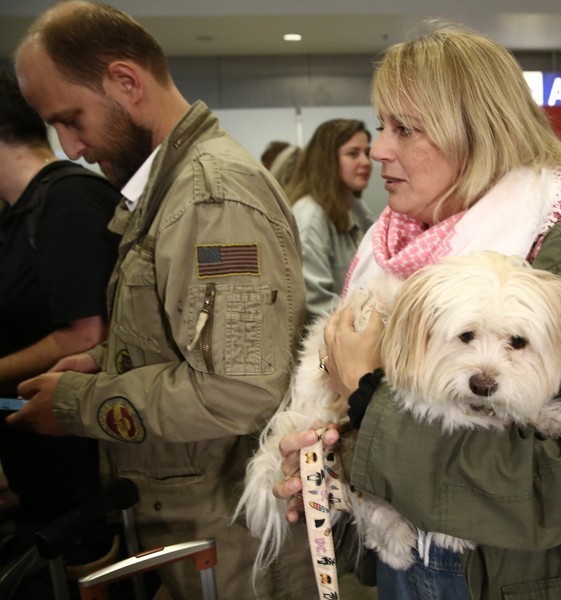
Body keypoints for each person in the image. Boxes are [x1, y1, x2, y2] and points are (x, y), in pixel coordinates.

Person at [273, 22, 561, 599]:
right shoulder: (398, 249)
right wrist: (331, 454)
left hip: (499, 577)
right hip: (410, 559)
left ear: (479, 134)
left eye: (405, 129)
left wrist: (363, 387)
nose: (379, 149)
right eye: (382, 126)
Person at [11, 3, 309, 598]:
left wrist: (78, 405)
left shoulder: (211, 199)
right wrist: (106, 362)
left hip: (232, 539)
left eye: (71, 119)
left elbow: (239, 387)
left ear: (126, 81)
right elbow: (187, 335)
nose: (70, 147)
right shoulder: (171, 190)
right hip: (200, 519)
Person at [0, 68, 120, 575]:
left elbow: (84, 334)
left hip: (82, 469)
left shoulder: (67, 200)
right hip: (43, 466)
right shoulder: (21, 210)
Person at [284, 119, 373, 323]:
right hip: (330, 334)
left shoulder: (355, 207)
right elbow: (315, 301)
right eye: (353, 154)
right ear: (327, 160)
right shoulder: (311, 215)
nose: (366, 162)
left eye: (367, 153)